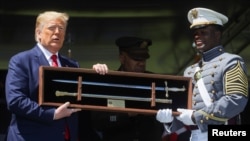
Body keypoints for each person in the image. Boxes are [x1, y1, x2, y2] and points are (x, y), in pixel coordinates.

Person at [5, 11, 108, 141]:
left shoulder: (72, 65)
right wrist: (51, 114)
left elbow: (82, 100)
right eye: (52, 28)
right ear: (38, 33)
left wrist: (95, 74)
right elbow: (15, 101)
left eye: (61, 29)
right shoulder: (22, 61)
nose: (57, 32)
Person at [156, 7, 249, 141]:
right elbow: (187, 110)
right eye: (195, 33)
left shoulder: (231, 62)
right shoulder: (190, 71)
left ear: (217, 34)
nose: (197, 36)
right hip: (195, 136)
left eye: (203, 32)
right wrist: (170, 119)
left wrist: (196, 117)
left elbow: (236, 100)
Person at [91, 36, 165, 141]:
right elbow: (98, 122)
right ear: (122, 58)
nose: (141, 63)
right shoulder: (109, 83)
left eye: (144, 58)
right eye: (136, 58)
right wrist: (127, 114)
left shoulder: (155, 82)